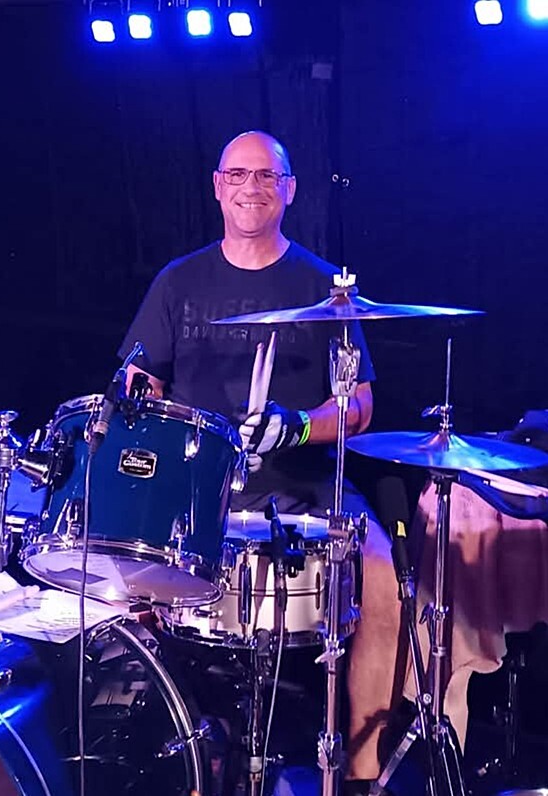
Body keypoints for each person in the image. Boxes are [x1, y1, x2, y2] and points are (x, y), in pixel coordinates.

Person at [118, 130, 401, 787]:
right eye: (239, 175)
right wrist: (138, 399)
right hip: (200, 490)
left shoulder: (324, 286)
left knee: (385, 576)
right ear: (218, 187)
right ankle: (178, 751)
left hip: (306, 488)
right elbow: (141, 379)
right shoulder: (178, 281)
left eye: (268, 176)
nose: (253, 187)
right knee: (115, 570)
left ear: (290, 190)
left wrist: (297, 429)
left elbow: (359, 406)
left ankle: (360, 775)